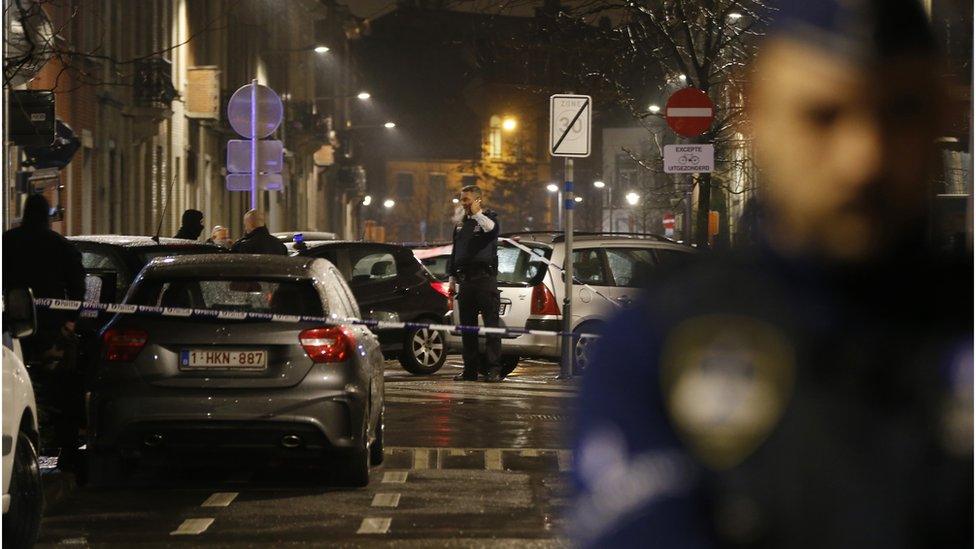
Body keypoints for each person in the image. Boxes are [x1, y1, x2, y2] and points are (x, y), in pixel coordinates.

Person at [570, 1, 972, 547]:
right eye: (823, 115)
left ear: (945, 115)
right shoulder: (659, 346)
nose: (863, 158)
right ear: (758, 111)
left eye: (899, 111)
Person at [2, 194, 87, 471]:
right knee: (60, 388)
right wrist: (70, 321)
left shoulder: (7, 242)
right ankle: (64, 448)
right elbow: (78, 285)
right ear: (47, 216)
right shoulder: (60, 246)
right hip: (50, 328)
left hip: (11, 328)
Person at [447, 185, 502, 382]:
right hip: (466, 281)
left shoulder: (488, 220)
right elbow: (455, 254)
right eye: (462, 200)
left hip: (484, 280)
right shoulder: (461, 225)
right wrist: (452, 281)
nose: (463, 204)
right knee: (467, 329)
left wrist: (477, 213)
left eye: (467, 200)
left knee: (491, 328)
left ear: (478, 200)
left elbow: (492, 230)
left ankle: (494, 369)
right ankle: (470, 370)